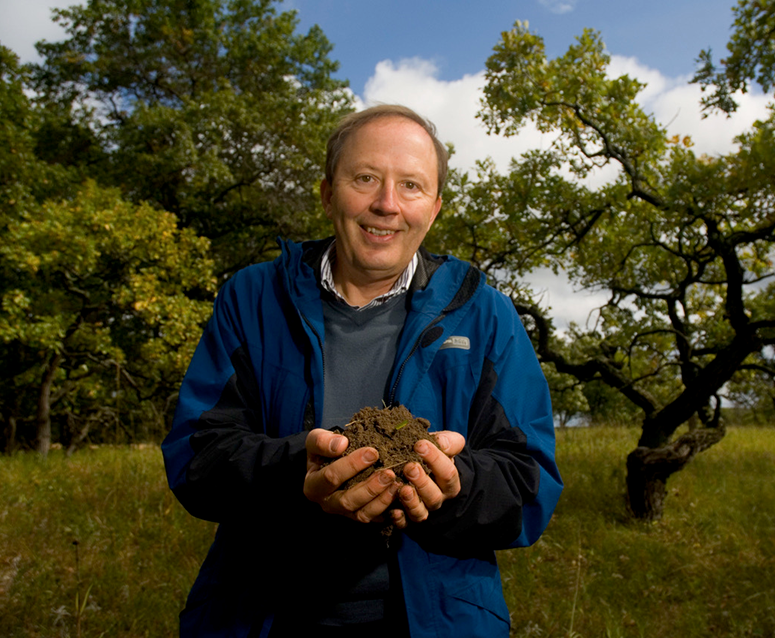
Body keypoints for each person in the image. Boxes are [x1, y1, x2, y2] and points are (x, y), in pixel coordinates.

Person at [161, 104, 563, 638]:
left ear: (435, 208)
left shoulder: (486, 314)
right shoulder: (252, 297)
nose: (387, 205)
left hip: (439, 621)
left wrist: (450, 487)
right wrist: (297, 474)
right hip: (260, 616)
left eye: (412, 186)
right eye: (366, 178)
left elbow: (531, 485)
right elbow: (196, 458)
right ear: (328, 193)